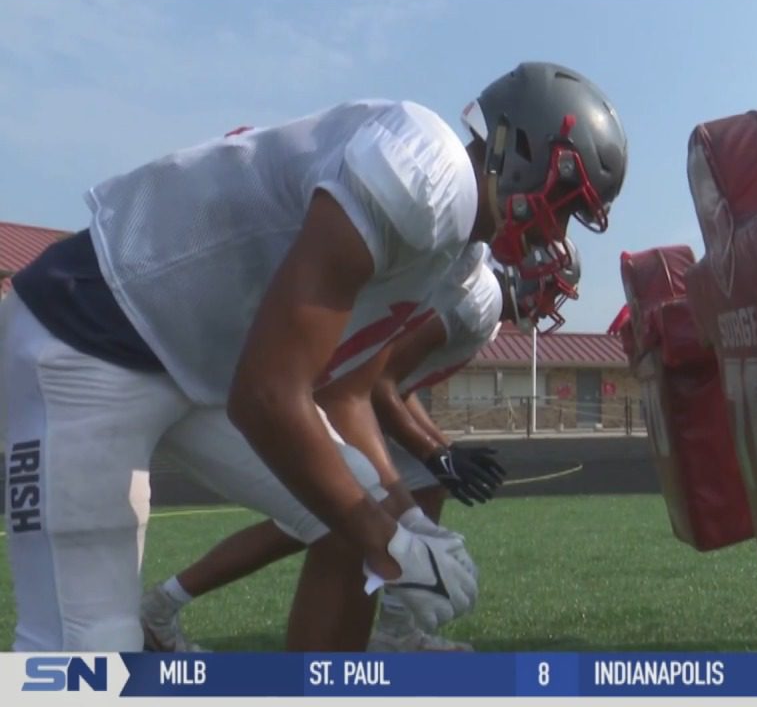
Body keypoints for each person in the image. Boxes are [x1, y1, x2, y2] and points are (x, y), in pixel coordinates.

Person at [1, 61, 627, 652]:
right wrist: (392, 544)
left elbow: (342, 391)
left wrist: (408, 523)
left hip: (201, 373)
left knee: (354, 518)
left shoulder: (457, 259)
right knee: (84, 655)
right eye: (566, 203)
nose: (558, 232)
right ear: (518, 149)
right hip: (88, 336)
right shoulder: (426, 171)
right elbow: (269, 395)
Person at [138, 240, 582, 652]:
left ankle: (395, 628)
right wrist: (430, 463)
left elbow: (395, 384)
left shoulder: (478, 302)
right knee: (332, 519)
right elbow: (370, 385)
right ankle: (165, 606)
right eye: (553, 289)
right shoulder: (479, 301)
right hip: (307, 390)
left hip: (323, 385)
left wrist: (435, 452)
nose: (550, 303)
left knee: (408, 488)